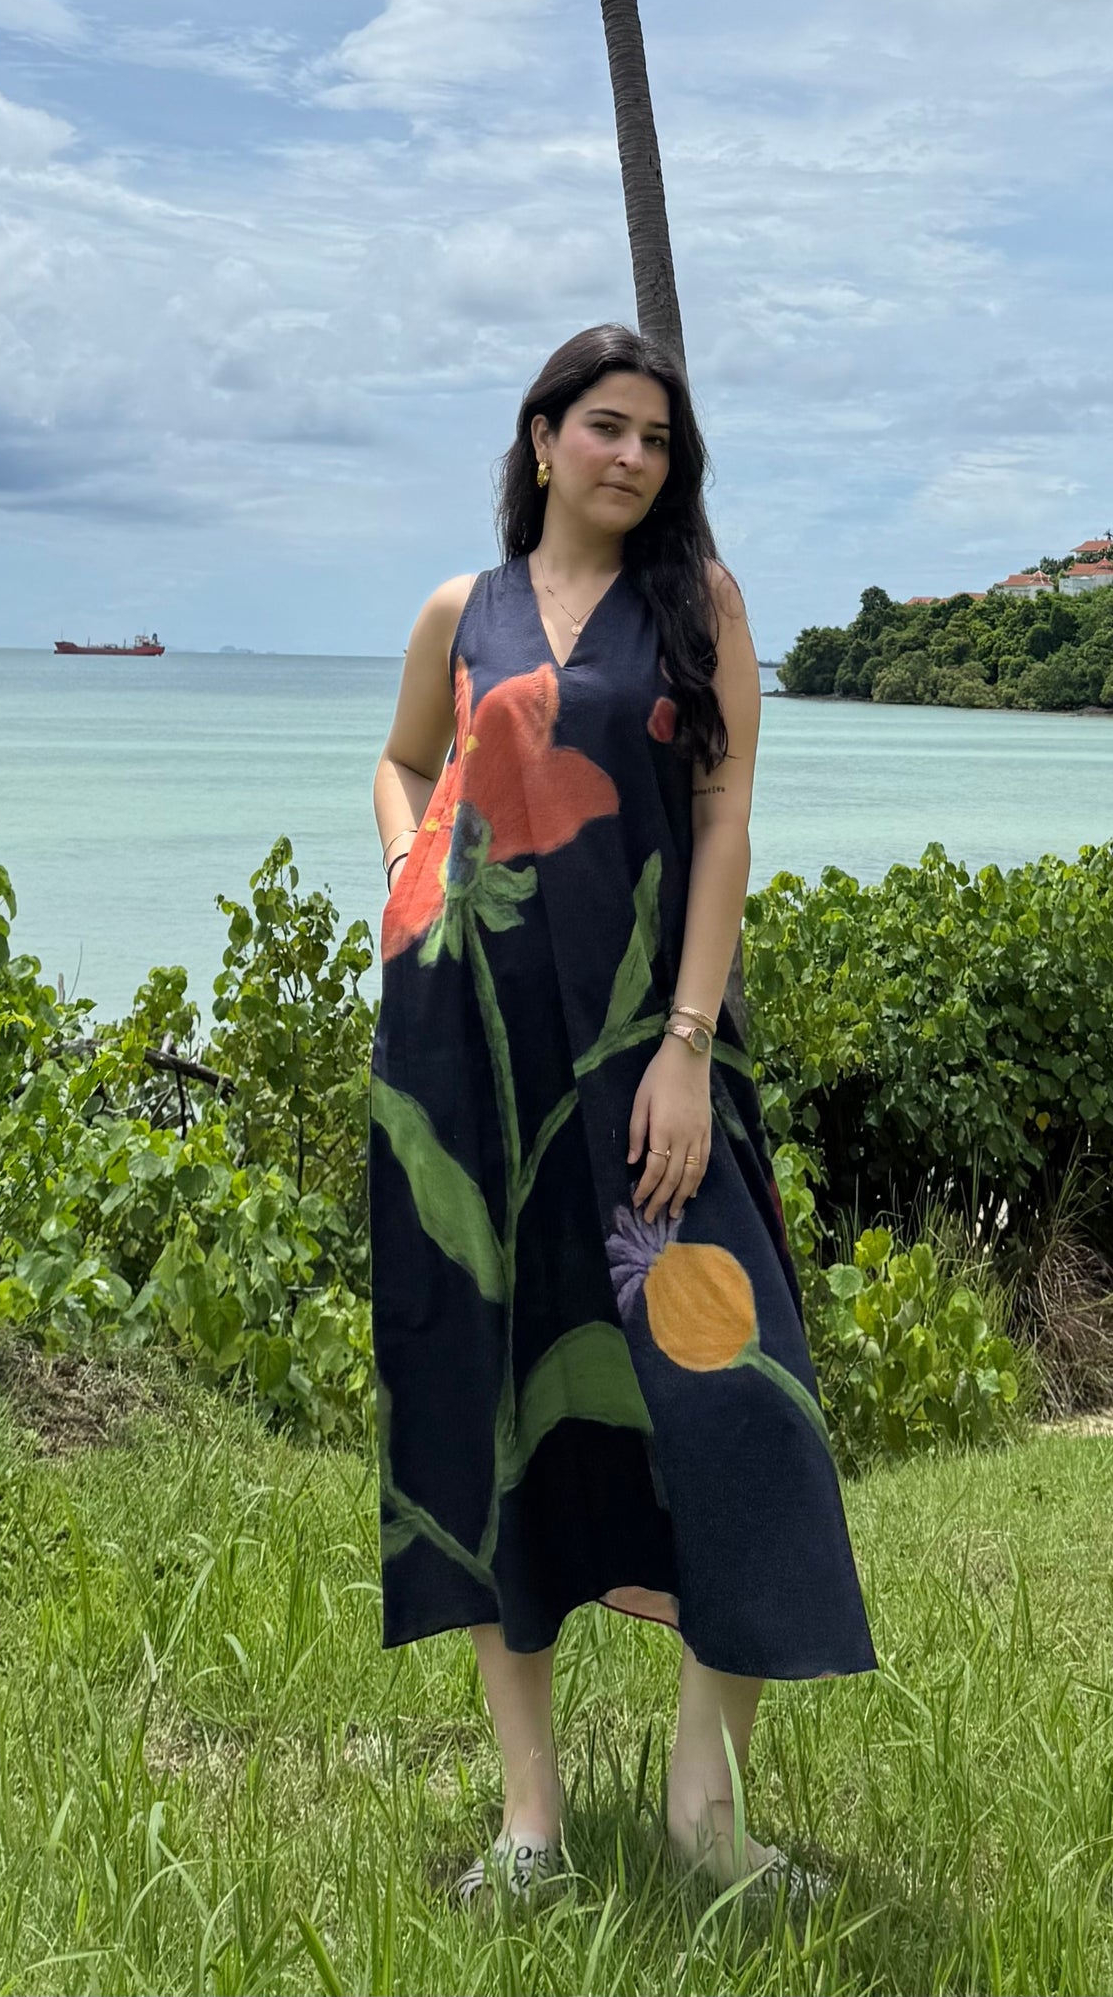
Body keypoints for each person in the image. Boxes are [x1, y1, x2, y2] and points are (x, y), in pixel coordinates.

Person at [369, 322, 875, 1899]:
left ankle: (703, 1820)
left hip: (651, 1059)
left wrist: (686, 1042)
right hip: (471, 1062)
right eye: (607, 427)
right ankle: (531, 1826)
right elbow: (399, 764)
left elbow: (722, 826)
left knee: (737, 1398)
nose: (636, 457)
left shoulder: (698, 605)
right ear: (541, 440)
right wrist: (409, 881)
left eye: (659, 438)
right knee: (487, 1411)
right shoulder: (464, 612)